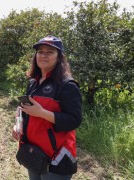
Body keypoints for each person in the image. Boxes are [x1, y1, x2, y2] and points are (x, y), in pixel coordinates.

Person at [12, 35, 82, 180]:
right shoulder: (33, 82)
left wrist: (42, 113)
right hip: (34, 153)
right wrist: (18, 125)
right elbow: (25, 110)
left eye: (50, 52)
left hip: (57, 158)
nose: (43, 55)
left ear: (59, 57)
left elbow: (74, 120)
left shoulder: (67, 85)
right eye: (40, 51)